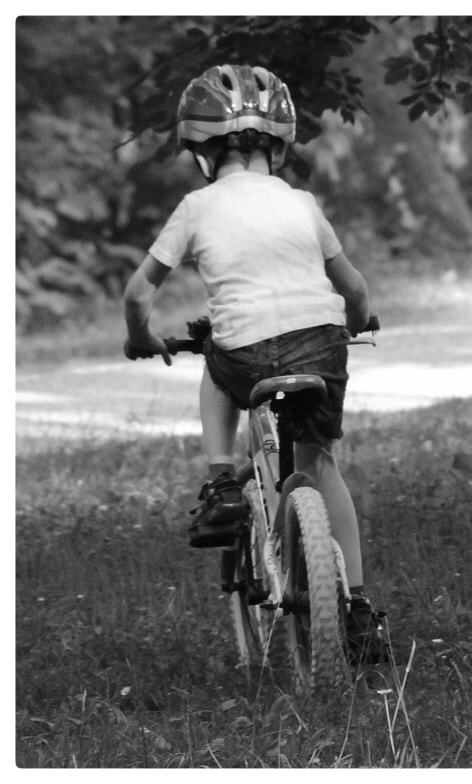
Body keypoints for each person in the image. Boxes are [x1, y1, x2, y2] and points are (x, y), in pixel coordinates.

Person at [122, 63, 388, 665]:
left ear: (202, 152)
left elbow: (139, 294)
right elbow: (356, 289)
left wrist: (141, 338)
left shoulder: (197, 206)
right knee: (321, 463)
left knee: (215, 363)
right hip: (321, 346)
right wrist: (353, 326)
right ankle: (360, 607)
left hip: (244, 353)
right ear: (279, 145)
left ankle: (221, 482)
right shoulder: (302, 202)